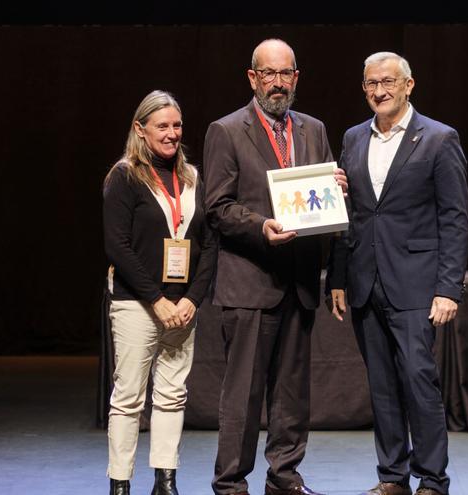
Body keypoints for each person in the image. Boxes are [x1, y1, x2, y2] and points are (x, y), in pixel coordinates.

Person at [203, 39, 347, 495]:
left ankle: (284, 478)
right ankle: (230, 484)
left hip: (300, 282)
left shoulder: (314, 129)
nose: (278, 83)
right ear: (253, 78)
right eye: (269, 74)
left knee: (291, 395)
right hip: (249, 283)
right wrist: (260, 225)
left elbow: (318, 200)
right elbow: (217, 207)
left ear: (296, 78)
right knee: (243, 395)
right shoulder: (226, 131)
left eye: (285, 74)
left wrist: (334, 186)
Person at [326, 52, 468, 495]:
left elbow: (455, 217)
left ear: (409, 86)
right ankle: (392, 477)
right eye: (371, 83)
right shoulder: (352, 138)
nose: (379, 91)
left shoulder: (439, 139)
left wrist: (449, 288)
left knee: (418, 382)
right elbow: (347, 213)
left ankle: (432, 479)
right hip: (365, 282)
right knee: (382, 386)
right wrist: (337, 277)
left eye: (388, 82)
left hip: (416, 285)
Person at [102, 90, 216, 495]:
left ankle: (165, 480)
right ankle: (120, 483)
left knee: (172, 395)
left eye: (177, 126)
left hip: (182, 307)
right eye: (162, 126)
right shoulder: (124, 176)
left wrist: (191, 299)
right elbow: (118, 246)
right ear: (141, 129)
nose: (171, 134)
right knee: (129, 396)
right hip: (138, 304)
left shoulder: (193, 179)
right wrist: (157, 299)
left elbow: (209, 244)